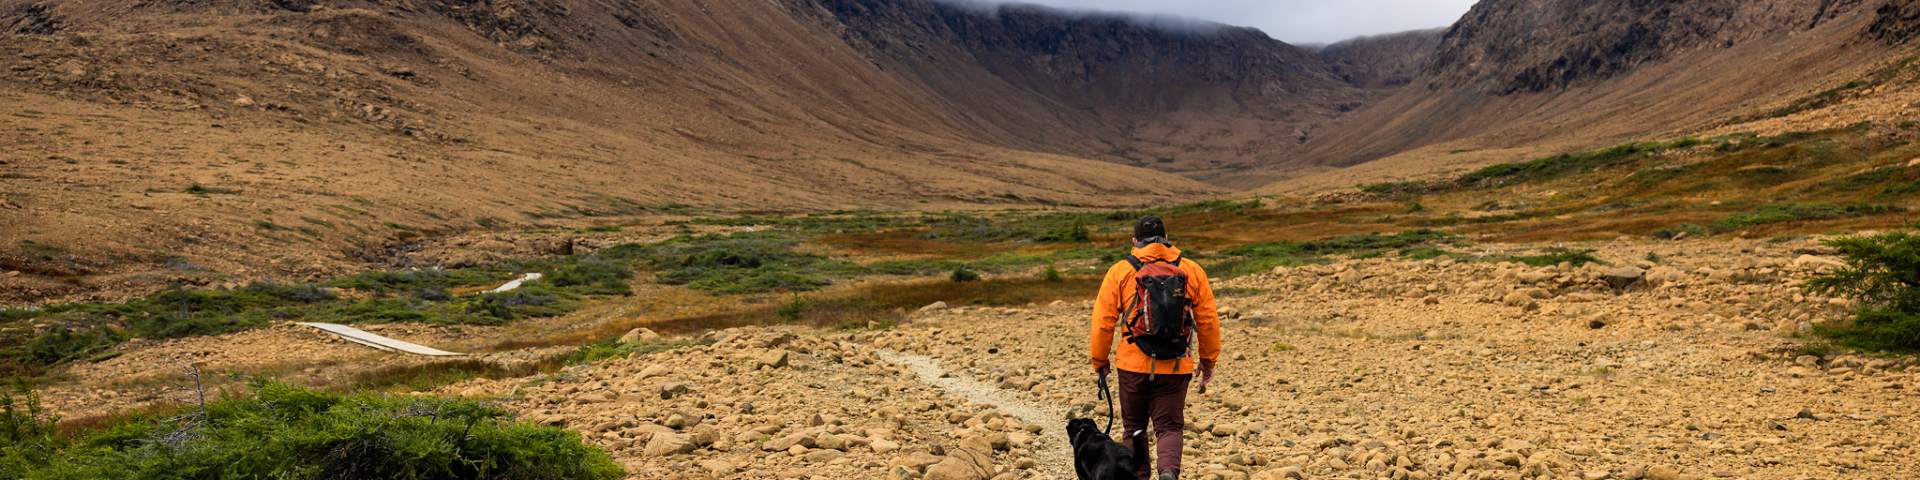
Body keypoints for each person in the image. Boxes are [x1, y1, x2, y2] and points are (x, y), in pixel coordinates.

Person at [1089, 215, 1222, 480]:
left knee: (1134, 428)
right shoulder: (1191, 269)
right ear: (1167, 239)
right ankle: (1169, 473)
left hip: (1132, 364)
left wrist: (1099, 361)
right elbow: (1207, 320)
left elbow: (1103, 322)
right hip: (1175, 364)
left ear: (1134, 241)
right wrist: (1207, 361)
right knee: (1170, 427)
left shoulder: (1120, 270)